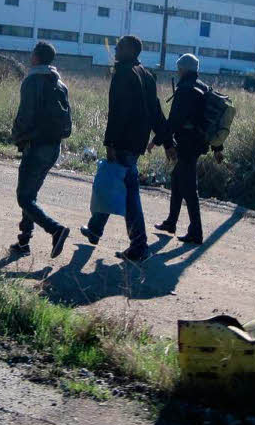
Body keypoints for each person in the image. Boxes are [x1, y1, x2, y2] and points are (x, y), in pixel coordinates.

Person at [80, 35, 167, 263]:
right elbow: (156, 112)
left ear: (130, 50)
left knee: (128, 194)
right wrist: (167, 140)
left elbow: (118, 112)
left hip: (123, 142)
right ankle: (95, 229)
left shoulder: (124, 73)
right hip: (136, 142)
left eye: (119, 47)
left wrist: (110, 143)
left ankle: (139, 245)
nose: (115, 50)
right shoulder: (147, 75)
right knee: (113, 182)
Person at [151, 53, 223, 245]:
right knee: (177, 179)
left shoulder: (185, 89)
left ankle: (196, 232)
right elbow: (212, 120)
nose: (177, 70)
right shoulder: (204, 87)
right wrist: (218, 147)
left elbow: (174, 121)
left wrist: (156, 140)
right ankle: (171, 222)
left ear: (183, 69)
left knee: (189, 188)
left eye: (178, 67)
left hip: (188, 144)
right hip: (199, 143)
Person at [9, 41, 71, 259]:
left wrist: (17, 137)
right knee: (31, 194)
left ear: (36, 56)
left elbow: (25, 115)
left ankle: (56, 230)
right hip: (54, 146)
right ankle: (23, 242)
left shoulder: (33, 79)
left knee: (24, 198)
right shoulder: (59, 83)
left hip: (36, 146)